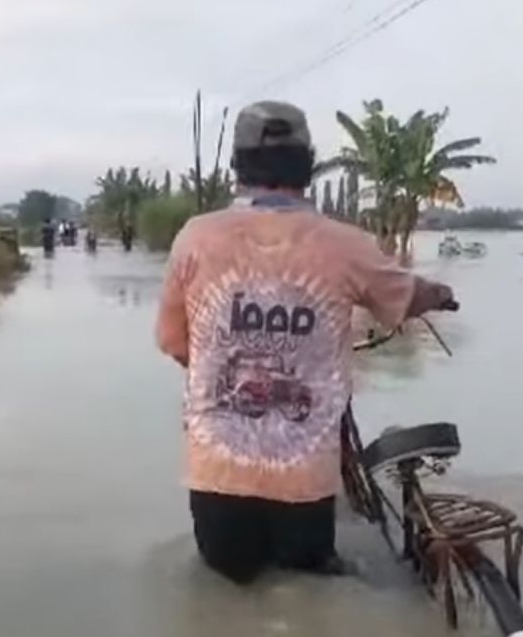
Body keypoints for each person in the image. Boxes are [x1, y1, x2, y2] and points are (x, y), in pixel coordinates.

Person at [155, 101, 455, 585]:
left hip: (216, 478)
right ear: (309, 165)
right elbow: (405, 293)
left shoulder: (195, 238)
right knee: (308, 587)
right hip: (304, 485)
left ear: (238, 166)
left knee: (226, 590)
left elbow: (173, 342)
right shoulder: (343, 242)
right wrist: (439, 295)